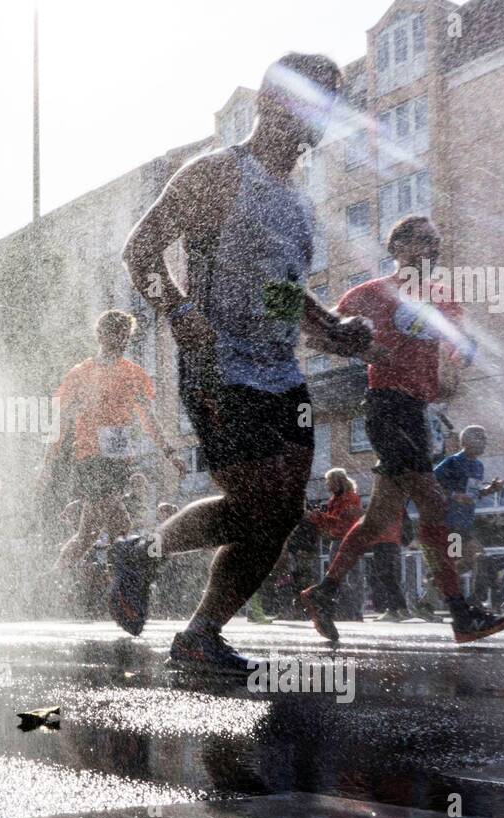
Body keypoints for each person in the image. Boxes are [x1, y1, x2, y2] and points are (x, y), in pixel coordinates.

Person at [119, 52, 373, 671]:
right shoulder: (219, 173)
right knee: (256, 501)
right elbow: (140, 251)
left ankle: (199, 633)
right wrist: (178, 313)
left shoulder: (297, 205)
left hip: (283, 377)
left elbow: (277, 290)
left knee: (280, 514)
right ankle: (143, 554)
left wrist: (331, 327)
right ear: (267, 102)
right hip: (218, 367)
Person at [298, 216, 504, 643]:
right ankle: (461, 614)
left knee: (376, 519)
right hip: (387, 406)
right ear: (396, 248)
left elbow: (456, 347)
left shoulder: (443, 297)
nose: (430, 250)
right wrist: (365, 349)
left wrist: (457, 361)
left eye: (435, 243)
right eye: (421, 242)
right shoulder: (370, 293)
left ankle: (324, 593)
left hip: (417, 410)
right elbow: (317, 338)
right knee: (433, 504)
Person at [45, 310, 185, 572]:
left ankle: (53, 578)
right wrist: (47, 462)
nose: (122, 341)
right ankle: (123, 585)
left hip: (119, 461)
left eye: (126, 336)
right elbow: (60, 421)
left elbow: (148, 418)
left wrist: (170, 451)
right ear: (101, 335)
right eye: (116, 335)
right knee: (120, 525)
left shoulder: (133, 373)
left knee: (87, 535)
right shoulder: (81, 373)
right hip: (91, 457)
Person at [420, 425, 502, 611]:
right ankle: (472, 600)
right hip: (449, 523)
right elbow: (430, 483)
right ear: (464, 442)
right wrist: (453, 496)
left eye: (485, 438)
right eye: (479, 438)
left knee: (462, 563)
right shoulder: (453, 462)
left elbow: (472, 494)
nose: (484, 442)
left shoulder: (478, 466)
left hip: (464, 523)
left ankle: (430, 592)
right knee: (475, 558)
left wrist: (490, 489)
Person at [304, 468, 364, 621]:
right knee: (338, 577)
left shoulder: (351, 498)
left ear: (337, 481)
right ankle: (346, 610)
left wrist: (321, 517)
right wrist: (319, 519)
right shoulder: (334, 500)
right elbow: (334, 523)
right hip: (337, 540)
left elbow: (346, 522)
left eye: (328, 481)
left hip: (349, 541)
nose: (326, 484)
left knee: (351, 577)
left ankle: (354, 611)